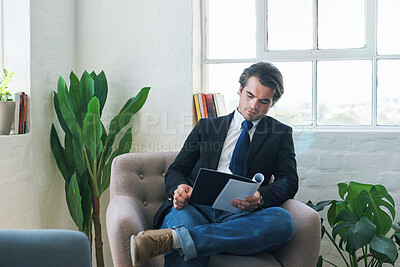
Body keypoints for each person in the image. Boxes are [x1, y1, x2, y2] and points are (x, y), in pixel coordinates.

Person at [130, 62, 299, 267]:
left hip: (241, 216)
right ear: (240, 90)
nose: (254, 106)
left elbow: (288, 180)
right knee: (187, 241)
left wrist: (261, 197)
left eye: (264, 101)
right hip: (193, 207)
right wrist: (179, 188)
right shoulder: (207, 126)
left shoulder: (280, 133)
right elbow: (177, 169)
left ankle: (175, 239)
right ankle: (192, 239)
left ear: (272, 103)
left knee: (282, 222)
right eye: (250, 96)